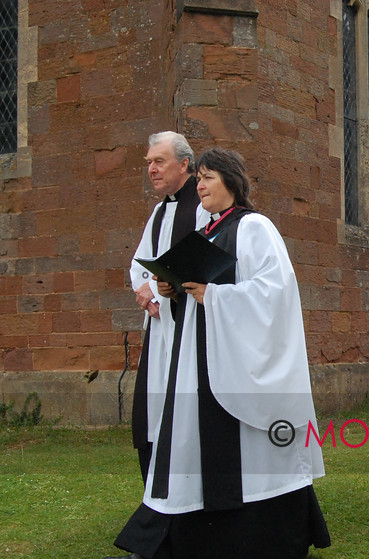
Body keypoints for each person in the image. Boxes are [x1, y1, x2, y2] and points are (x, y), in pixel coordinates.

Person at [108, 148, 330, 558]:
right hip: (197, 361)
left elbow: (275, 292)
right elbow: (196, 289)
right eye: (199, 180)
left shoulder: (254, 227)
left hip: (236, 365)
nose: (201, 186)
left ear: (230, 181)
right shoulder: (207, 232)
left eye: (207, 178)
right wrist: (171, 288)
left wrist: (216, 295)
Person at [129, 132, 210, 481]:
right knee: (154, 405)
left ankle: (188, 479)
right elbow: (141, 263)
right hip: (161, 326)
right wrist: (145, 289)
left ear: (184, 164)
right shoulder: (160, 210)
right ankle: (157, 481)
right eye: (149, 162)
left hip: (190, 324)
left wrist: (160, 289)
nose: (152, 169)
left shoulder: (203, 206)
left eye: (158, 161)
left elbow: (201, 261)